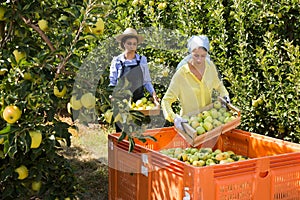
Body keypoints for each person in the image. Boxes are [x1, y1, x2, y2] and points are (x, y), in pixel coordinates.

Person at [161, 35, 230, 131]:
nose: (199, 60)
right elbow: (166, 101)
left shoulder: (210, 68)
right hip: (189, 126)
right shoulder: (181, 74)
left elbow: (218, 85)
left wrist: (225, 95)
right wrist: (174, 118)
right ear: (190, 53)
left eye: (203, 56)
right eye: (196, 55)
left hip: (209, 124)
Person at [109, 28, 159, 131]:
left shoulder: (141, 60)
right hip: (122, 102)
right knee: (121, 131)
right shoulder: (117, 61)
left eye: (134, 44)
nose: (132, 46)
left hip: (138, 102)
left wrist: (153, 94)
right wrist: (111, 95)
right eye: (129, 43)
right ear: (123, 44)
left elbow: (146, 81)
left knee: (136, 131)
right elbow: (113, 82)